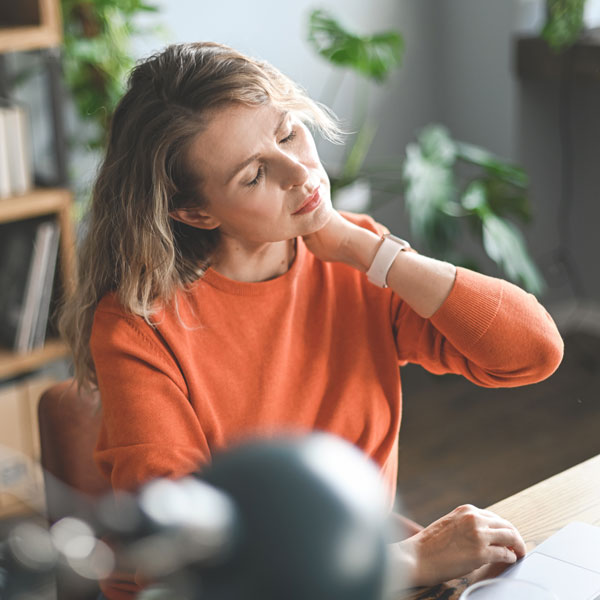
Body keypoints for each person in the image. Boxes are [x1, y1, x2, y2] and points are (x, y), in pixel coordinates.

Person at [60, 42, 564, 599]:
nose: (300, 174)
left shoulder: (356, 262)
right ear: (195, 212)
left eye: (287, 132)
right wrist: (406, 560)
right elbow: (188, 564)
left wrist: (361, 245)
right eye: (254, 176)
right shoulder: (139, 326)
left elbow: (533, 352)